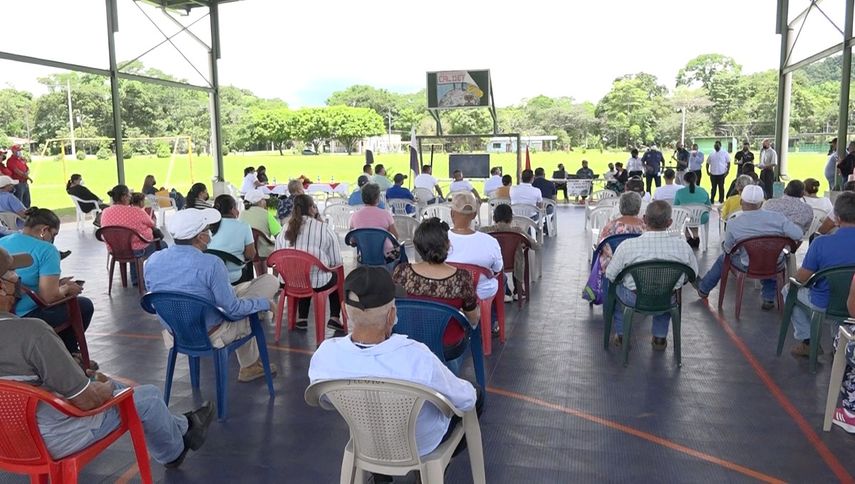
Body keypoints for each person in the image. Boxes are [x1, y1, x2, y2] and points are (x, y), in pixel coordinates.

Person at [0, 248, 215, 468]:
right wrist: (106, 387)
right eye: (12, 273)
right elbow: (87, 401)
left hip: (5, 442)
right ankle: (174, 450)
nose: (20, 279)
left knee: (116, 388)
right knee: (147, 397)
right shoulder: (32, 334)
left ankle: (184, 425)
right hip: (46, 440)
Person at [308, 266, 479, 468]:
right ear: (391, 315)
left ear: (345, 311)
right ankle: (433, 468)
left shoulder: (325, 357)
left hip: (366, 441)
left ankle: (381, 474)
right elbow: (465, 400)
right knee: (477, 395)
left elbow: (326, 400)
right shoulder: (417, 357)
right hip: (420, 445)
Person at [146, 209, 278, 382]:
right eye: (208, 230)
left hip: (176, 331)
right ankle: (250, 365)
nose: (210, 235)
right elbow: (232, 311)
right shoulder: (211, 264)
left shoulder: (153, 260)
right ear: (200, 237)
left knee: (247, 292)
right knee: (264, 288)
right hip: (211, 333)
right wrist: (264, 304)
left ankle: (251, 364)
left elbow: (155, 298)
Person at [0, 208, 93, 363]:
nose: (53, 239)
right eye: (54, 235)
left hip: (4, 312)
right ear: (44, 230)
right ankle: (68, 352)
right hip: (25, 315)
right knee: (83, 305)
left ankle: (68, 352)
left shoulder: (3, 242)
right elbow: (49, 296)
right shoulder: (47, 250)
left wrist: (57, 284)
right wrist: (67, 288)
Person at [606, 201, 698, 349]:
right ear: (669, 223)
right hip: (667, 298)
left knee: (616, 291)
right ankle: (660, 338)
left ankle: (622, 335)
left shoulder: (627, 246)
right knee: (667, 293)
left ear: (644, 219)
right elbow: (692, 274)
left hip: (634, 298)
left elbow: (611, 275)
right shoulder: (683, 247)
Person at [696, 185, 802, 310]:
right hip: (774, 263)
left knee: (723, 258)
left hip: (747, 264)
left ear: (741, 202)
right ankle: (768, 297)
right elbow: (798, 234)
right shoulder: (778, 218)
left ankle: (704, 288)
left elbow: (728, 249)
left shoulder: (734, 222)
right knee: (769, 256)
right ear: (762, 202)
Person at [783, 192, 855, 358]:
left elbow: (801, 278)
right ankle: (839, 342)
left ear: (836, 218)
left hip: (826, 303)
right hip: (852, 303)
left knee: (789, 290)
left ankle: (808, 340)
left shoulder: (821, 243)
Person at [392, 218, 481, 351]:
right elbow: (473, 319)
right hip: (447, 345)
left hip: (409, 341)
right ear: (447, 244)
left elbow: (392, 307)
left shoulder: (402, 272)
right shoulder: (461, 278)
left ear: (417, 246)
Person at [274, 194, 345, 334]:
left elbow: (277, 255)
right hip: (316, 282)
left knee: (302, 273)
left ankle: (302, 318)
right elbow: (336, 261)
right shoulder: (323, 228)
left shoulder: (285, 228)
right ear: (312, 208)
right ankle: (335, 317)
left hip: (288, 281)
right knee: (333, 274)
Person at [100, 184, 168, 282]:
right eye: (129, 195)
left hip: (115, 250)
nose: (130, 198)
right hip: (136, 250)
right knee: (162, 244)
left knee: (132, 242)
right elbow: (151, 223)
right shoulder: (136, 211)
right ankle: (158, 277)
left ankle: (135, 278)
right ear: (123, 197)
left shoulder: (105, 212)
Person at [446, 192, 504, 302]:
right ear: (474, 214)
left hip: (448, 290)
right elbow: (497, 268)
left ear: (452, 213)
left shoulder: (439, 239)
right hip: (480, 293)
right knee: (503, 279)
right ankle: (491, 317)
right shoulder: (490, 241)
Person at [480, 204, 542, 303]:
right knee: (517, 255)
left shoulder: (484, 231)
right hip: (514, 263)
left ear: (494, 218)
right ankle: (518, 290)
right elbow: (535, 246)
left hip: (494, 265)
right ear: (511, 218)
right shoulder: (517, 231)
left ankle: (505, 292)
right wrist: (523, 244)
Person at [596, 192, 645, 280]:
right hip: (639, 271)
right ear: (638, 208)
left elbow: (600, 246)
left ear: (620, 207)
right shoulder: (646, 227)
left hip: (613, 273)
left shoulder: (610, 227)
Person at [208, 194, 256, 284]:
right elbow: (250, 254)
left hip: (210, 275)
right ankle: (246, 292)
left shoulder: (208, 226)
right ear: (232, 210)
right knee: (249, 264)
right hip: (235, 277)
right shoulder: (244, 226)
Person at [349, 183, 401, 260]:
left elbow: (352, 240)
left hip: (364, 255)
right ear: (377, 198)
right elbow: (395, 237)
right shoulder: (386, 214)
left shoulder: (354, 216)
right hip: (385, 255)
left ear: (363, 198)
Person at [673, 171, 711, 247]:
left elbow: (675, 207)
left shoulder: (680, 192)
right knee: (693, 214)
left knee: (683, 215)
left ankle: (688, 236)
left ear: (684, 180)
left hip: (685, 218)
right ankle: (695, 236)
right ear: (696, 180)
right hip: (701, 218)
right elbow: (709, 206)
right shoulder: (703, 191)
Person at [240, 189, 280, 259]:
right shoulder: (266, 214)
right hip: (263, 251)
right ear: (259, 202)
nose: (265, 202)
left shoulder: (242, 214)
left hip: (246, 250)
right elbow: (279, 235)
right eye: (264, 200)